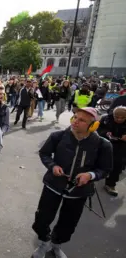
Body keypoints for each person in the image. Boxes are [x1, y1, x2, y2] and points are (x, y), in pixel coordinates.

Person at [31, 107, 113, 258]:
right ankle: (43, 243)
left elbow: (105, 169)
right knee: (42, 219)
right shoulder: (58, 136)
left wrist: (90, 175)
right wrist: (52, 166)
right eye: (75, 117)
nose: (75, 121)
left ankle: (56, 245)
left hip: (78, 192)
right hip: (53, 185)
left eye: (82, 120)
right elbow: (45, 153)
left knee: (68, 224)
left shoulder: (103, 145)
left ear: (93, 125)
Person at [97, 106, 126, 196]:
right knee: (97, 160)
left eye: (122, 118)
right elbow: (98, 129)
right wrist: (105, 133)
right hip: (105, 143)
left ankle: (110, 184)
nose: (119, 119)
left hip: (121, 146)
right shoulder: (106, 118)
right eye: (117, 117)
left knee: (117, 164)